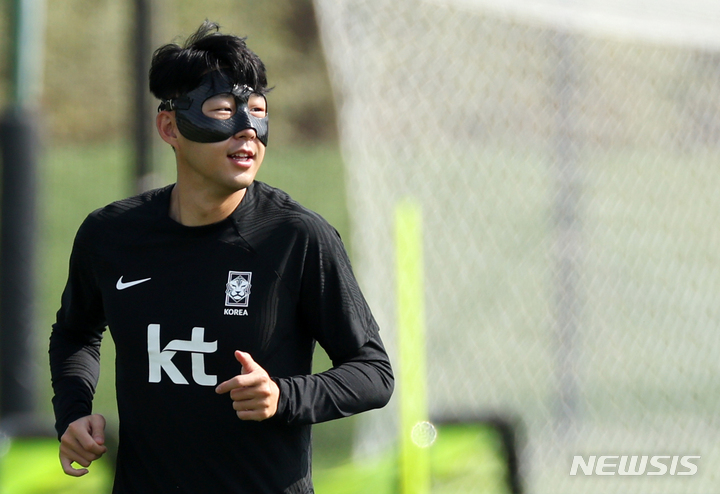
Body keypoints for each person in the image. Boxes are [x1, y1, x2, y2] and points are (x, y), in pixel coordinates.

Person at [49, 21, 394, 494]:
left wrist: (283, 395)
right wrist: (73, 413)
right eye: (223, 112)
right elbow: (75, 331)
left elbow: (373, 372)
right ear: (170, 126)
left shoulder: (297, 236)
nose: (246, 130)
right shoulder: (110, 235)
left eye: (257, 111)